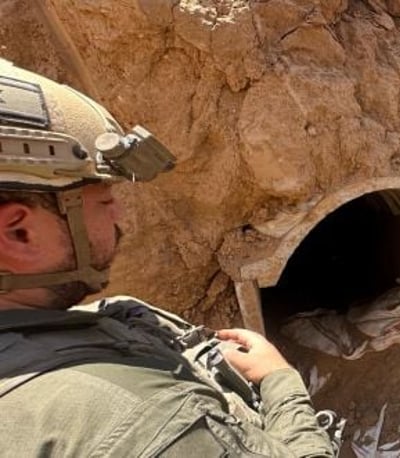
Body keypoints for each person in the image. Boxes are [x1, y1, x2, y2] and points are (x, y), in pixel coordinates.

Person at [0, 58, 334, 457]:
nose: (119, 214)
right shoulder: (146, 423)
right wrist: (281, 383)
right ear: (19, 233)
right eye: (104, 200)